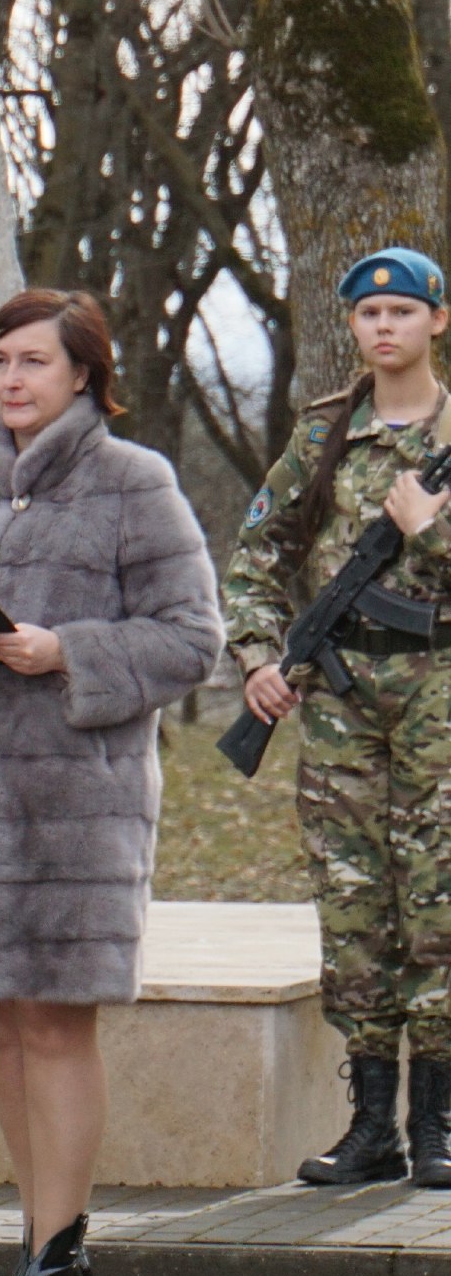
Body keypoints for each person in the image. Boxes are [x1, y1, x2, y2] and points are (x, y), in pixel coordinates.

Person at [0, 289, 220, 1276]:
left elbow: (191, 637)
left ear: (83, 373)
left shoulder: (132, 483)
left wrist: (65, 648)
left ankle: (64, 1265)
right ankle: (29, 1251)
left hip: (71, 808)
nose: (11, 379)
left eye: (32, 360)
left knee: (52, 1023)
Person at [223, 248, 451, 1189]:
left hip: (440, 695)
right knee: (353, 905)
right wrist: (256, 661)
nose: (385, 326)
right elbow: (256, 556)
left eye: (403, 310)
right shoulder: (322, 437)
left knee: (438, 901)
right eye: (369, 314)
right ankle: (371, 1129)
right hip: (341, 703)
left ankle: (437, 1126)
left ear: (438, 321)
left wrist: (431, 536)